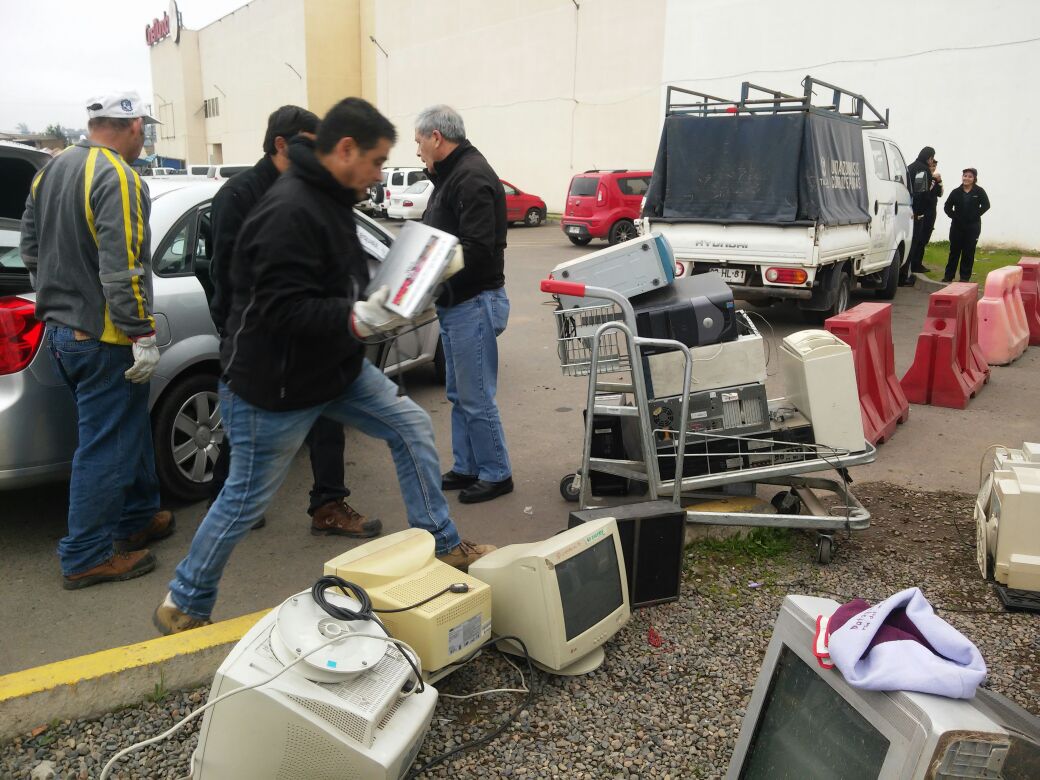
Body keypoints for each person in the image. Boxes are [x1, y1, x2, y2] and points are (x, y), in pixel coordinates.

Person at [154, 97, 494, 635]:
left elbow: (341, 283)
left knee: (411, 428)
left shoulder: (331, 198)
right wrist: (358, 317)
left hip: (332, 368)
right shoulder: (288, 209)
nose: (382, 173)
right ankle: (185, 601)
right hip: (276, 383)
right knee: (243, 500)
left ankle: (444, 544)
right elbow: (280, 308)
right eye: (379, 161)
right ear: (346, 149)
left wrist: (404, 287)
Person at [19, 92, 175, 589]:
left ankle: (138, 518)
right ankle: (85, 554)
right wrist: (141, 331)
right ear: (129, 127)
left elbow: (29, 247)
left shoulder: (50, 170)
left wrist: (61, 295)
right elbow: (124, 266)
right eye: (142, 130)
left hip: (63, 332)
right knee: (105, 444)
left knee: (126, 427)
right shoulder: (118, 176)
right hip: (105, 336)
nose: (144, 138)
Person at [207, 105, 374, 537]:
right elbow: (225, 275)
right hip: (260, 338)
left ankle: (328, 504)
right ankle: (230, 501)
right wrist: (235, 334)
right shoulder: (239, 196)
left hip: (315, 329)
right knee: (247, 424)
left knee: (326, 418)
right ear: (281, 144)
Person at [415, 105, 514, 504]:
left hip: (474, 301)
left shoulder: (470, 176)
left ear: (436, 136)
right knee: (459, 394)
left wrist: (426, 273)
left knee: (475, 397)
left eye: (419, 140)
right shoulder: (450, 175)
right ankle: (468, 465)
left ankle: (496, 473)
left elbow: (476, 248)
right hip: (458, 303)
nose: (417, 149)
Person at [942, 168, 991, 283]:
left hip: (972, 227)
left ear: (974, 179)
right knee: (954, 251)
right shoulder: (956, 192)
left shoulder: (979, 191)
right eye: (965, 176)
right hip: (957, 227)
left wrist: (975, 215)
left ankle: (964, 277)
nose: (966, 178)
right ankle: (948, 276)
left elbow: (986, 205)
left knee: (968, 252)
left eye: (970, 176)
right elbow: (947, 206)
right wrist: (954, 216)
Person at [902, 146, 941, 284]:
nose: (932, 162)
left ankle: (904, 274)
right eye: (932, 158)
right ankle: (904, 277)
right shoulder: (922, 170)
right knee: (913, 244)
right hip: (915, 213)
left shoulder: (911, 166)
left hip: (905, 210)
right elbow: (920, 192)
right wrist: (918, 212)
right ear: (929, 158)